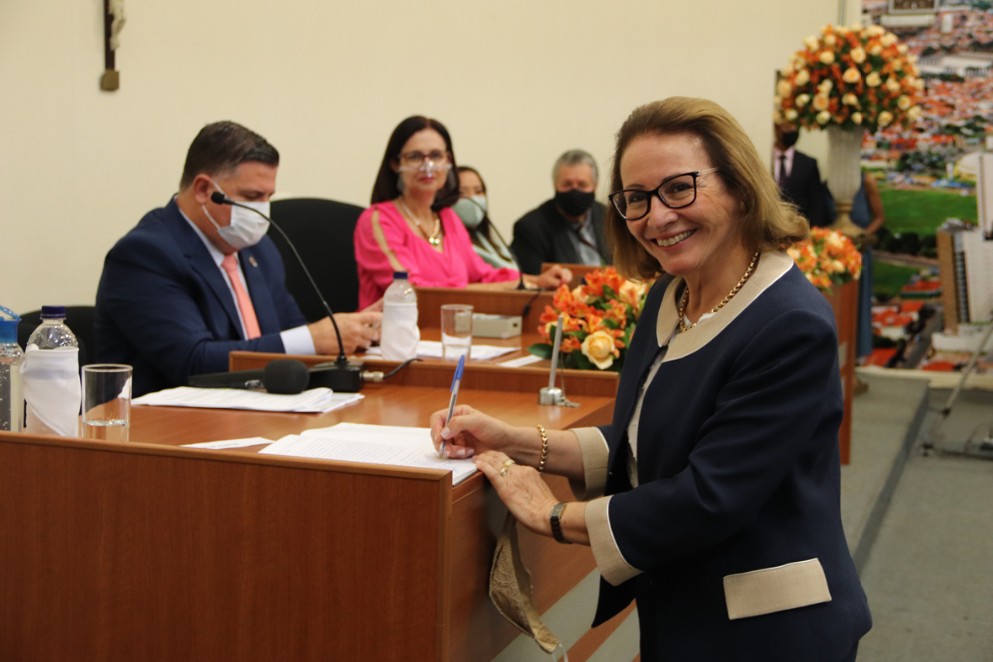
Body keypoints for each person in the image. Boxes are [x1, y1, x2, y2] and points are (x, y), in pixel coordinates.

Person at [431, 98, 872, 659]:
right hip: (685, 612)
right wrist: (513, 440)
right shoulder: (671, 295)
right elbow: (644, 438)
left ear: (740, 187)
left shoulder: (789, 324)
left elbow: (708, 496)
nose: (656, 217)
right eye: (636, 198)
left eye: (679, 188)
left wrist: (552, 515)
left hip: (767, 630)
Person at [95, 121, 382, 397]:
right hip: (165, 422)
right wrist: (313, 339)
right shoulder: (145, 255)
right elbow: (193, 362)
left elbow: (292, 331)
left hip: (258, 411)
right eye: (251, 196)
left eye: (268, 196)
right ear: (204, 190)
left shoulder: (258, 250)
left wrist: (355, 332)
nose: (262, 211)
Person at [353, 116, 570, 309]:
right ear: (395, 164)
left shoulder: (448, 218)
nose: (428, 166)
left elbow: (484, 276)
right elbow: (409, 292)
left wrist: (536, 281)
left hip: (451, 331)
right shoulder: (378, 220)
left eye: (436, 155)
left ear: (448, 161)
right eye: (415, 157)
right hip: (391, 336)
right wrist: (469, 289)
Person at [510, 149, 613, 274]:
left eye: (582, 184)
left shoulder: (610, 218)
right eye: (567, 184)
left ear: (595, 186)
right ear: (555, 185)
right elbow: (530, 280)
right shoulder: (530, 228)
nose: (574, 191)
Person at [452, 166, 518, 270]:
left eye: (478, 191)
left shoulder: (489, 238)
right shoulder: (451, 244)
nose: (473, 198)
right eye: (462, 193)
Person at [773, 120, 834, 227]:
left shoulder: (808, 164)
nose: (793, 130)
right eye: (788, 126)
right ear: (777, 128)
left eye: (795, 126)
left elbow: (816, 204)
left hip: (798, 228)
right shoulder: (763, 159)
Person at [851, 172, 885, 363]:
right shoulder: (826, 182)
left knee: (860, 302)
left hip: (860, 251)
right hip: (836, 249)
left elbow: (879, 217)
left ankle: (858, 353)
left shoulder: (867, 182)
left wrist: (862, 236)